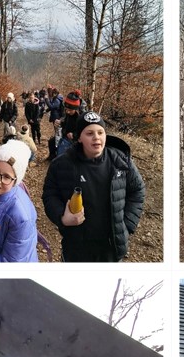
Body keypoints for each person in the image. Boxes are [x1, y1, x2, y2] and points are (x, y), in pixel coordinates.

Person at [42, 111, 145, 262]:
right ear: (80, 138)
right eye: (89, 133)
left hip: (112, 249)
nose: (96, 137)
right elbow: (49, 195)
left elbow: (137, 190)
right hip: (76, 249)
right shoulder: (61, 165)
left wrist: (127, 225)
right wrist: (62, 217)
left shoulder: (121, 161)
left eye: (100, 132)